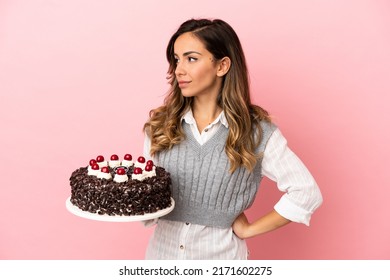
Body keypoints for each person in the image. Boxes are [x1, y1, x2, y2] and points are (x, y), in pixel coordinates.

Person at [142, 18, 323, 260]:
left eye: (191, 58)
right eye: (176, 59)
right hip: (160, 259)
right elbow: (147, 197)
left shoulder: (256, 132)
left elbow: (306, 192)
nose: (179, 70)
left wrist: (250, 229)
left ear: (222, 66)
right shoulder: (160, 127)